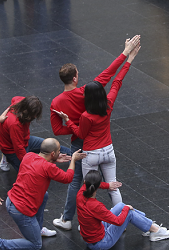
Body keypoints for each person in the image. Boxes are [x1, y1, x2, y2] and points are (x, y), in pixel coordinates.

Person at [50, 35, 141, 231]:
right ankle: (120, 220)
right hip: (105, 147)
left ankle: (68, 219)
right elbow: (112, 77)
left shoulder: (57, 103)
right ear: (75, 77)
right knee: (112, 184)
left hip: (82, 147)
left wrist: (69, 122)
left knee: (78, 184)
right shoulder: (90, 92)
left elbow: (58, 130)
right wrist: (127, 54)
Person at [0, 138, 87, 250]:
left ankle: (38, 229)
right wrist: (73, 160)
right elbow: (67, 178)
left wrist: (53, 160)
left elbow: (41, 166)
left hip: (11, 201)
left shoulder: (29, 156)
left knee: (44, 195)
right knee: (36, 245)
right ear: (53, 153)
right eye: (59, 151)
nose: (60, 152)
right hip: (21, 211)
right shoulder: (48, 167)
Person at [77, 170, 169, 249]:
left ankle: (147, 226)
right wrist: (126, 209)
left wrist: (107, 185)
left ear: (85, 183)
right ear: (97, 186)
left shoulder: (80, 194)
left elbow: (93, 185)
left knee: (120, 205)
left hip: (91, 238)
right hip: (101, 243)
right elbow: (118, 221)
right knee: (128, 212)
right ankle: (154, 230)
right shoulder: (96, 206)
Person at [0, 96, 70, 172]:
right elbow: (19, 149)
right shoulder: (14, 124)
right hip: (11, 149)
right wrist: (31, 164)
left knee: (51, 146)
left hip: (25, 139)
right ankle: (8, 158)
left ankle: (76, 154)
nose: (35, 116)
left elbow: (14, 98)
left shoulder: (21, 102)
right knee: (30, 172)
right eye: (33, 115)